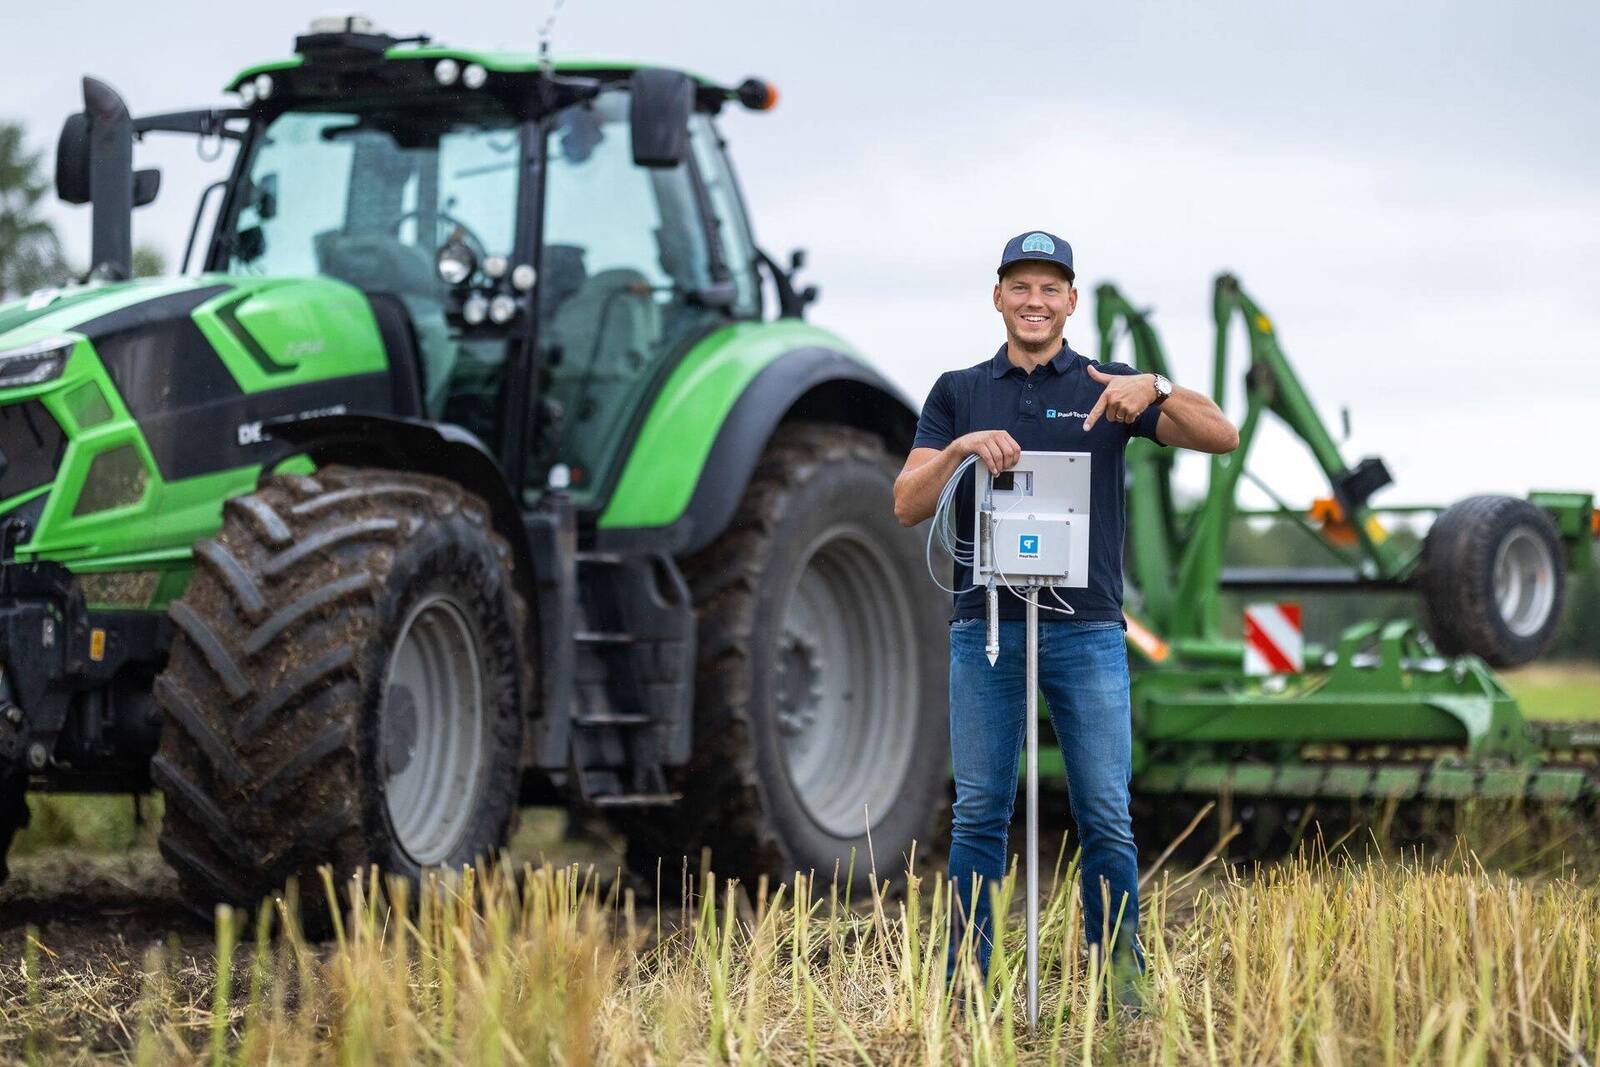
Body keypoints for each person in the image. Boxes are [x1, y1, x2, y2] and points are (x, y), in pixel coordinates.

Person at [892, 230, 1239, 1009]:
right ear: (998, 297)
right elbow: (907, 503)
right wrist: (958, 452)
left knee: (1104, 809)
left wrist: (1157, 386)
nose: (1035, 301)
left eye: (1051, 288)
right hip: (983, 627)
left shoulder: (1106, 384)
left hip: (1086, 631)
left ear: (1071, 301)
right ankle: (966, 988)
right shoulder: (957, 390)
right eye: (1021, 286)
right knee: (981, 808)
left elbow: (1223, 434)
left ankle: (1122, 987)